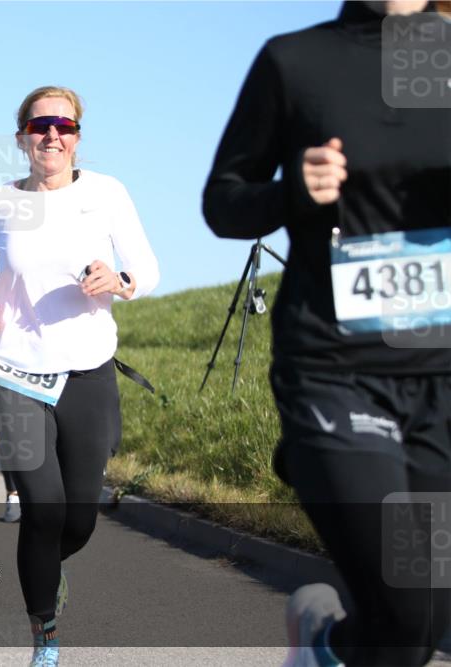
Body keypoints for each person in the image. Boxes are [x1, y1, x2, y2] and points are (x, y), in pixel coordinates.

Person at [203, 3, 450, 666]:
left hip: (440, 378)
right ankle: (322, 637)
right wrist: (291, 192)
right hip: (335, 368)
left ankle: (326, 647)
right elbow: (222, 201)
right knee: (402, 608)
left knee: (420, 623)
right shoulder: (297, 60)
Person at [0, 86, 159, 667]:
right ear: (21, 136)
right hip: (16, 372)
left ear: (77, 137)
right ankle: (45, 633)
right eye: (41, 124)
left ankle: (51, 571)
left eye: (64, 126)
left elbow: (146, 266)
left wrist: (118, 280)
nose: (52, 135)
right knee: (42, 508)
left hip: (88, 371)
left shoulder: (106, 193)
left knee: (79, 517)